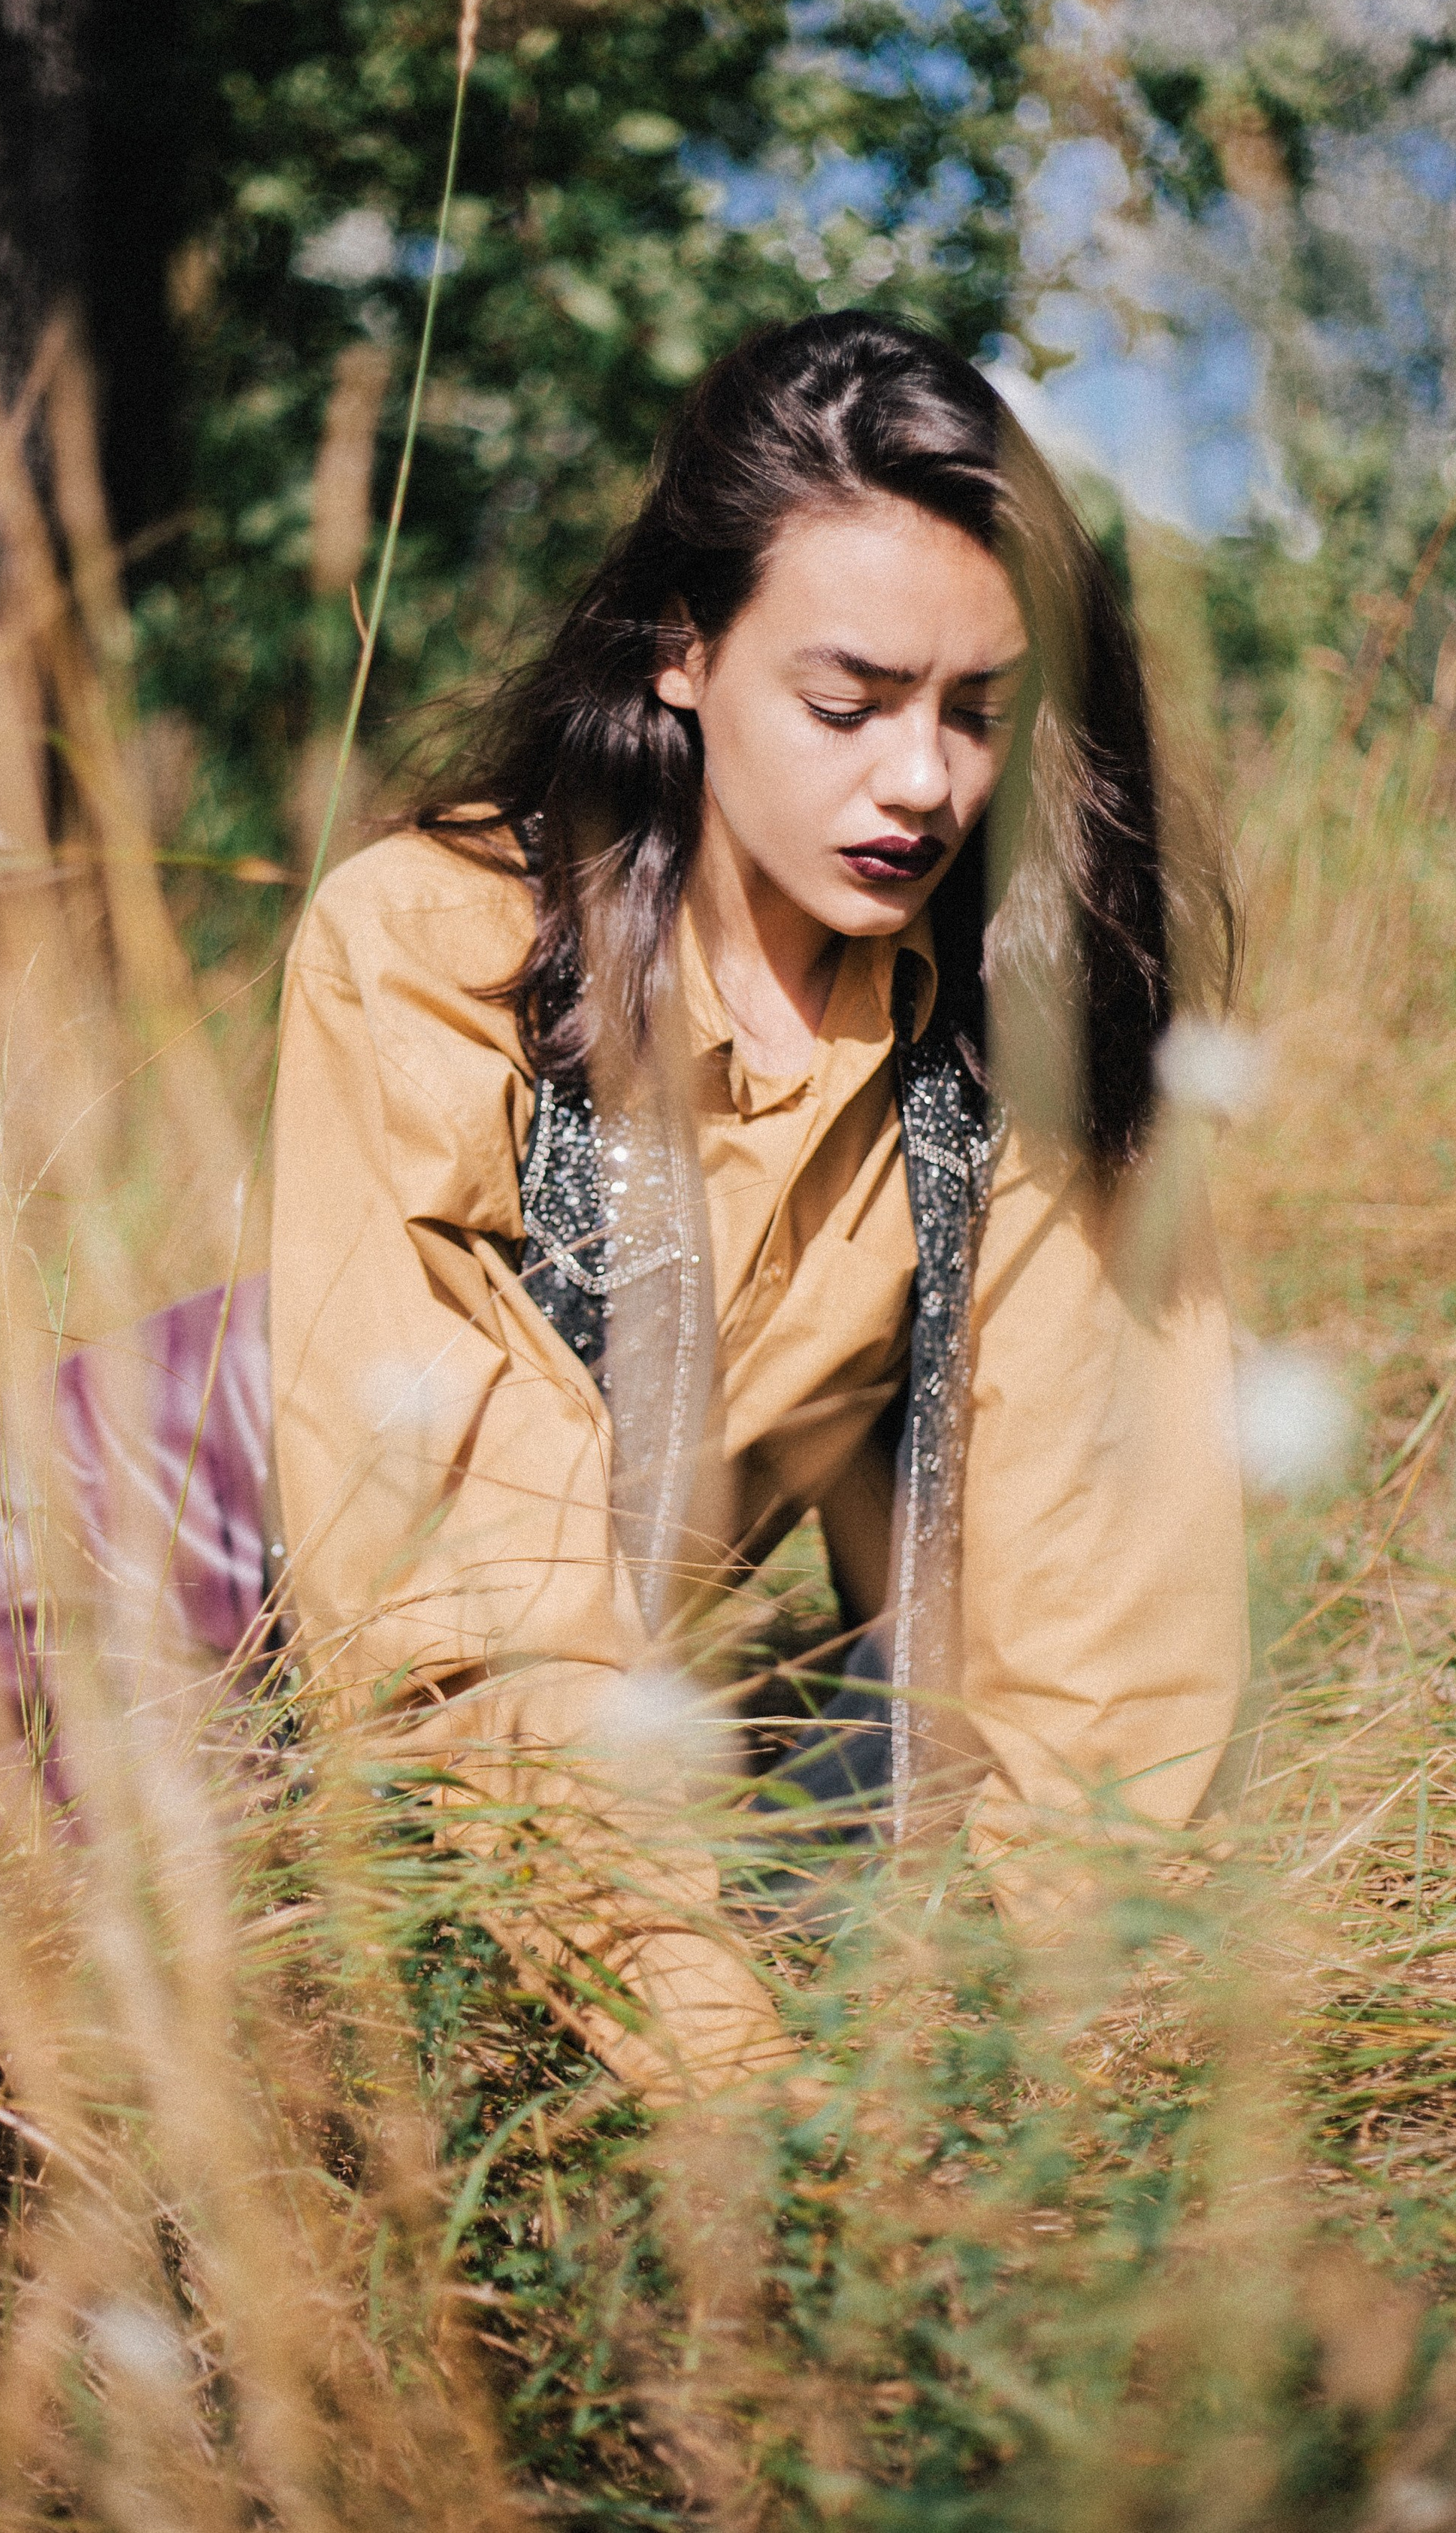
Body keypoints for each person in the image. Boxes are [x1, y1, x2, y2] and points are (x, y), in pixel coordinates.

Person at [269, 311, 1248, 2101]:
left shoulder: (1015, 1032)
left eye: (979, 714)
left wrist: (1045, 2097)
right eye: (845, 702)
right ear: (680, 655)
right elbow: (459, 1591)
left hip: (588, 1724)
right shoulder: (435, 947)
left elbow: (1096, 1621)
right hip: (171, 1601)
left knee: (908, 1763)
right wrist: (713, 2059)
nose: (921, 783)